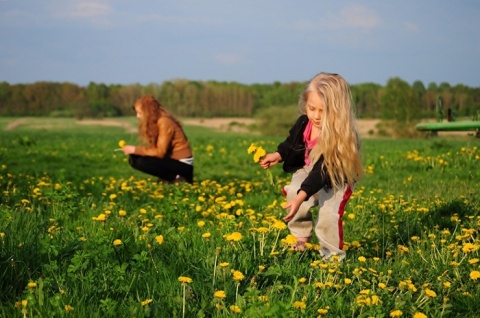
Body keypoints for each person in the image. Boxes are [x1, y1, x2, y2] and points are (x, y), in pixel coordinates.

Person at [259, 72, 363, 260]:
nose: (315, 115)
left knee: (328, 215)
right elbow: (291, 143)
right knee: (293, 190)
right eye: (311, 108)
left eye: (323, 111)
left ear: (337, 110)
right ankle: (300, 237)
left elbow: (321, 172)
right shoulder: (304, 123)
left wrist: (302, 197)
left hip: (335, 177)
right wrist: (278, 155)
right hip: (309, 169)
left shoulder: (339, 137)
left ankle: (331, 257)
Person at [122, 95, 194, 184]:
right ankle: (170, 178)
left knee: (142, 161)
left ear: (148, 112)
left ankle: (179, 178)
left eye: (140, 113)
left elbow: (160, 152)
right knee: (134, 159)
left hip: (182, 165)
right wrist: (135, 152)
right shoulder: (156, 121)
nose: (137, 116)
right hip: (172, 161)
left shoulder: (164, 122)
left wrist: (135, 149)